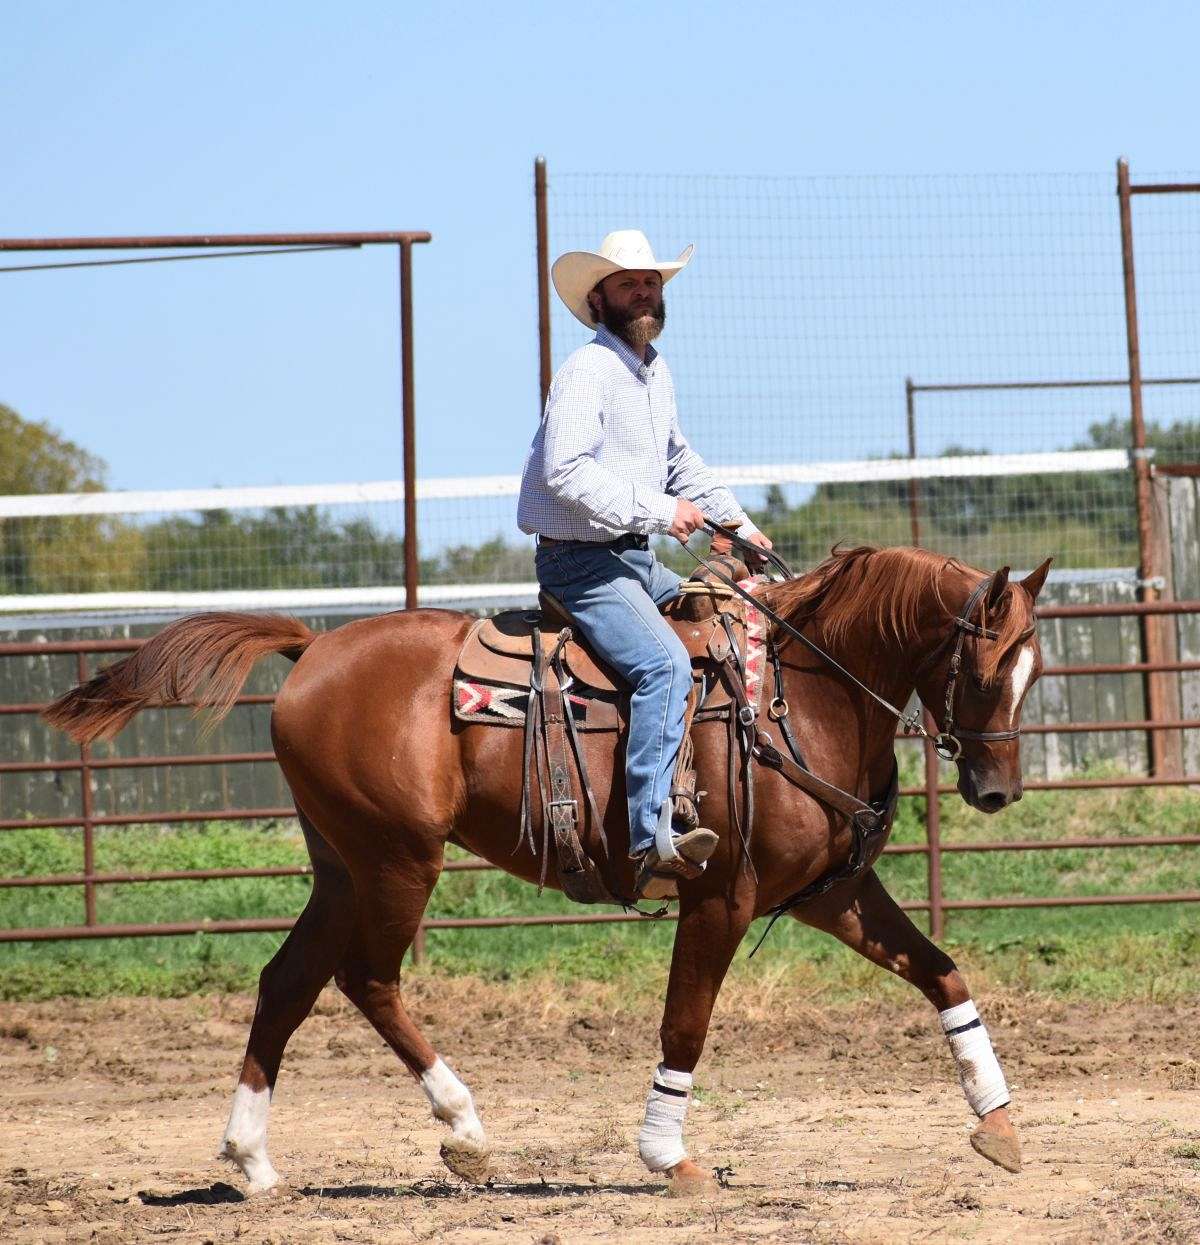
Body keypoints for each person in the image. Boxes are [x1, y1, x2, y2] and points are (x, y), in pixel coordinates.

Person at [517, 230, 773, 896]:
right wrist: (661, 511)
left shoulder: (653, 370)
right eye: (629, 282)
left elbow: (680, 460)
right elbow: (564, 470)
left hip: (632, 562)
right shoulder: (586, 372)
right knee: (662, 662)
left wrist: (741, 527)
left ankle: (713, 792)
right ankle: (649, 835)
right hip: (583, 566)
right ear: (599, 297)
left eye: (652, 282)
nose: (644, 292)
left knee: (723, 625)